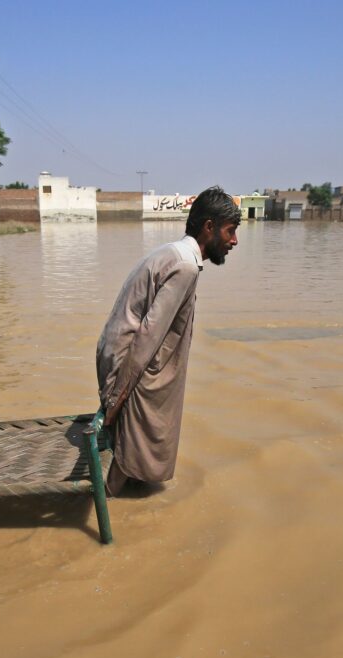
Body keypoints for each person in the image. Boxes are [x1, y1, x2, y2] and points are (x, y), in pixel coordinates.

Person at [96, 186, 241, 494]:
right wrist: (117, 397)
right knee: (134, 443)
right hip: (128, 357)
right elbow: (148, 335)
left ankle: (129, 491)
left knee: (140, 435)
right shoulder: (185, 266)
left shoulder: (173, 252)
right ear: (209, 227)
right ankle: (109, 498)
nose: (234, 241)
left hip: (115, 348)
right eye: (230, 232)